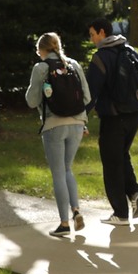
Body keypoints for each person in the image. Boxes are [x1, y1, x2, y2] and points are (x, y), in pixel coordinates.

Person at [86, 18, 138, 225]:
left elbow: (91, 92)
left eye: (93, 34)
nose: (92, 38)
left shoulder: (102, 57)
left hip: (114, 117)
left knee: (111, 163)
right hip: (135, 114)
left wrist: (81, 116)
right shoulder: (132, 52)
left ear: (102, 32)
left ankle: (120, 214)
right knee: (121, 155)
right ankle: (135, 192)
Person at [28, 32, 93, 235]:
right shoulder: (74, 64)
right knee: (67, 169)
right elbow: (87, 97)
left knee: (58, 173)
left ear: (42, 50)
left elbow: (31, 101)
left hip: (54, 124)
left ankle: (64, 224)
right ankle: (75, 210)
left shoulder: (41, 67)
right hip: (77, 123)